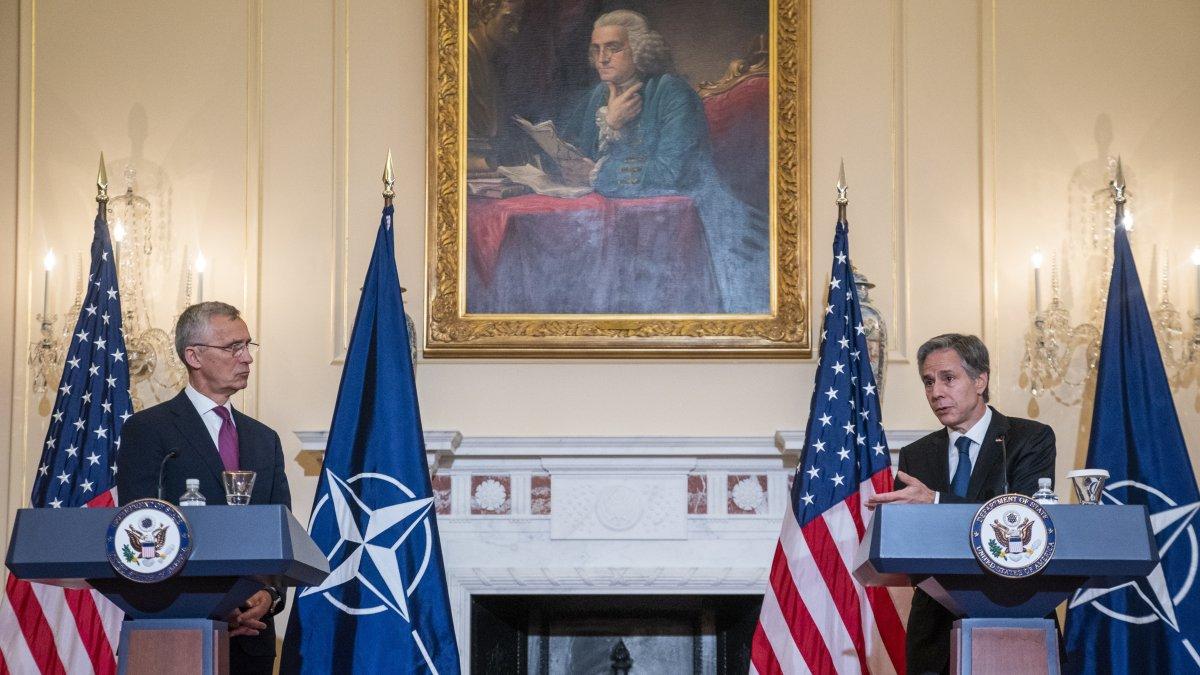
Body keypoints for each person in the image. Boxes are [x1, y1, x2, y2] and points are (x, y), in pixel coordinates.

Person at [117, 302, 291, 675]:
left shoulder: (264, 440)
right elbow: (141, 534)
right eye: (233, 347)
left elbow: (280, 533)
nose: (246, 358)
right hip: (173, 637)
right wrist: (211, 605)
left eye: (248, 346)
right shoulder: (148, 430)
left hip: (252, 639)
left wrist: (269, 595)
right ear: (193, 355)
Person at [867, 333, 1056, 675]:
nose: (935, 392)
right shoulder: (917, 455)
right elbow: (907, 547)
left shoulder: (1029, 439)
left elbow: (1022, 522)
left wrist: (936, 501)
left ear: (980, 380)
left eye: (948, 378)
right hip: (934, 632)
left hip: (1015, 617)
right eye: (928, 382)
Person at [556, 9, 770, 313]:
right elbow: (583, 159)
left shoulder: (671, 92)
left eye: (613, 48)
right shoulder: (597, 97)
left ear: (640, 49)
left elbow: (669, 174)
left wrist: (599, 169)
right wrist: (609, 125)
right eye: (597, 49)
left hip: (701, 224)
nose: (602, 58)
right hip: (629, 225)